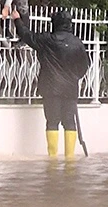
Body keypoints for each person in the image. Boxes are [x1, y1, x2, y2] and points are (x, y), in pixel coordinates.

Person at [11, 8, 90, 158]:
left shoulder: (47, 40)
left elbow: (27, 36)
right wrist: (74, 78)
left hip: (50, 88)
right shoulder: (77, 43)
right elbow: (84, 66)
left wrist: (17, 20)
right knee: (69, 122)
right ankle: (70, 159)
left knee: (52, 121)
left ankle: (52, 159)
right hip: (70, 89)